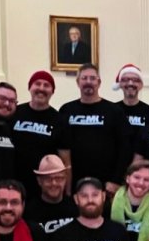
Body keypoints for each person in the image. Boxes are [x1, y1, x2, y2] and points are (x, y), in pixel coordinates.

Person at [57, 64, 133, 197]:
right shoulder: (66, 110)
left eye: (92, 78)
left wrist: (116, 180)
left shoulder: (114, 111)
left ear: (99, 82)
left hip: (107, 186)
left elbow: (125, 148)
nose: (88, 82)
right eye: (84, 78)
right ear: (77, 82)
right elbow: (61, 148)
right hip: (74, 185)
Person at [12, 71, 60, 201]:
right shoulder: (15, 113)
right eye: (37, 84)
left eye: (47, 85)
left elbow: (64, 157)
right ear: (30, 87)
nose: (41, 88)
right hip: (13, 180)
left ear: (52, 91)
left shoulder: (58, 119)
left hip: (44, 185)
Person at [114, 64, 149, 131]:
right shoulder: (112, 111)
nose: (130, 83)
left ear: (141, 85)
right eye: (126, 79)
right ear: (120, 84)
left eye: (135, 80)